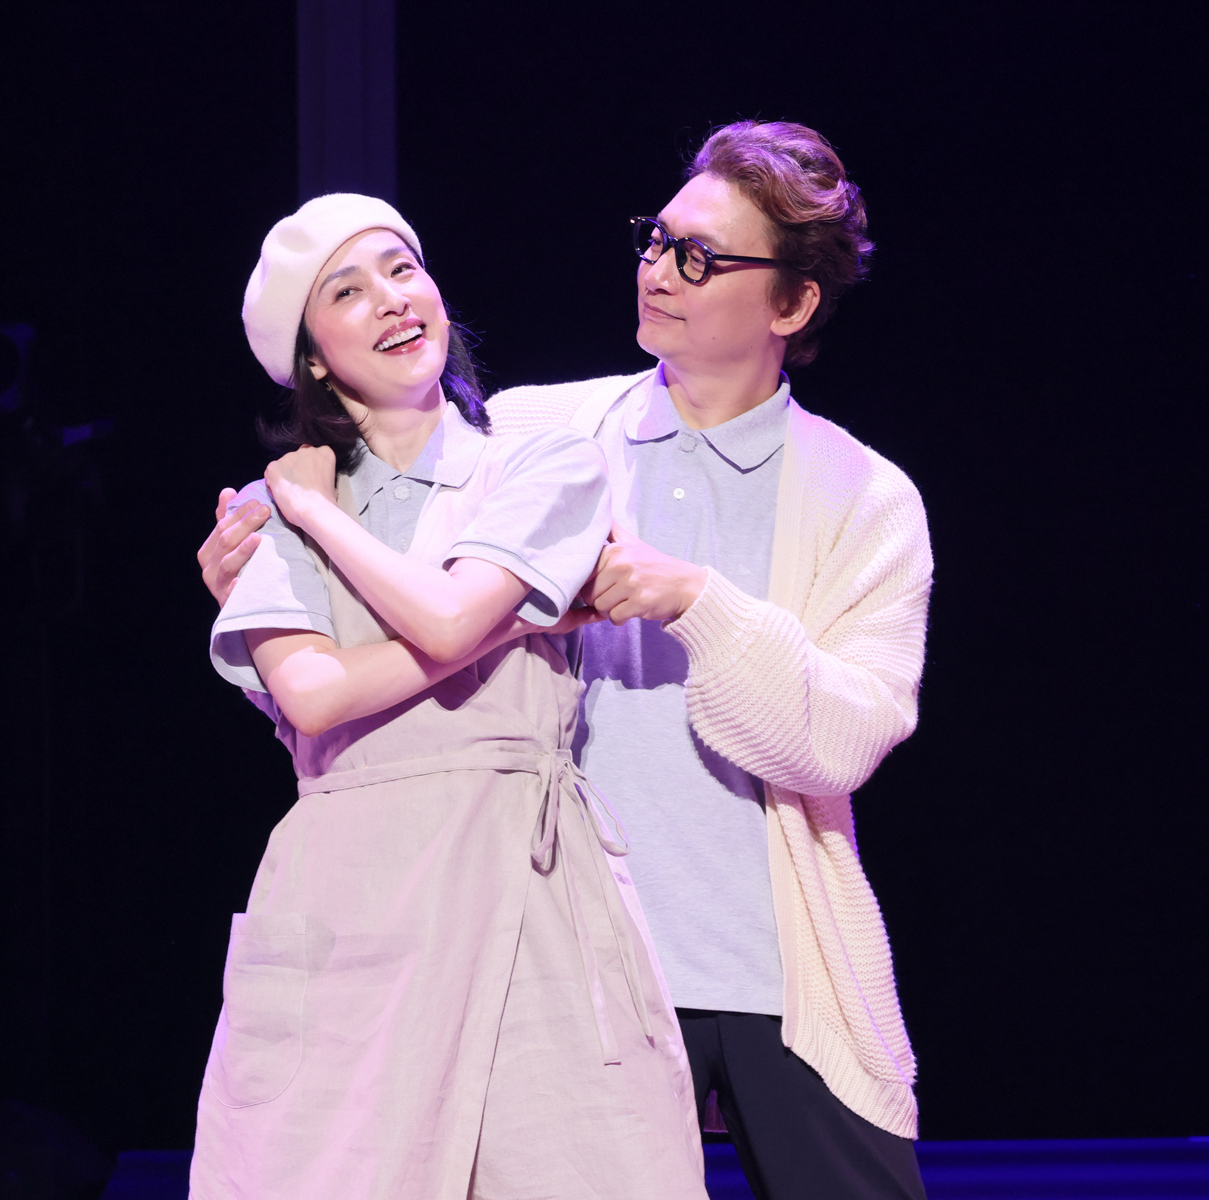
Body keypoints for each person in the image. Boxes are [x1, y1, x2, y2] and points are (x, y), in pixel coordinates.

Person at [189, 193, 705, 1200]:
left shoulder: (536, 464)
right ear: (314, 360)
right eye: (348, 291)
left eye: (402, 269)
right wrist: (514, 619)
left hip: (524, 880)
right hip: (349, 896)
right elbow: (314, 695)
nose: (392, 298)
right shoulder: (266, 511)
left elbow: (447, 622)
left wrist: (324, 521)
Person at [484, 122, 934, 1200]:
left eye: (699, 257)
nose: (658, 270)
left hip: (780, 970)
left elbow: (844, 739)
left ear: (793, 304)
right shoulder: (536, 435)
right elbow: (415, 636)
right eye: (657, 240)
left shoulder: (866, 497)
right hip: (582, 959)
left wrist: (698, 601)